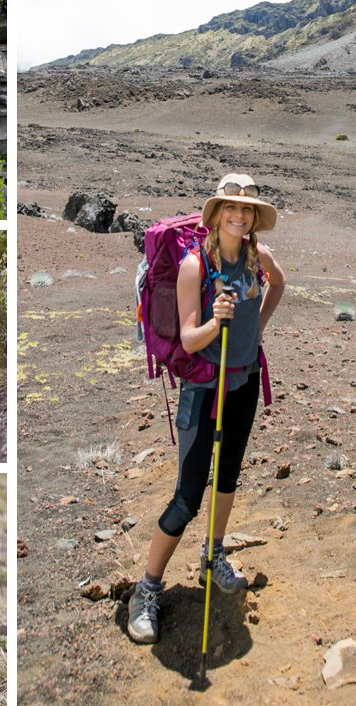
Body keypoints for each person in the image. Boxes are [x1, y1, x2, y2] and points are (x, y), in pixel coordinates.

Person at [127, 173, 286, 644]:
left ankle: (212, 556)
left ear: (255, 217)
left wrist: (255, 328)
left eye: (247, 210)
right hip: (204, 389)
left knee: (230, 475)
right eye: (231, 209)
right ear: (215, 214)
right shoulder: (195, 266)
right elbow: (189, 339)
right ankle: (148, 588)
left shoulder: (260, 258)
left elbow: (280, 284)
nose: (240, 216)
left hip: (244, 383)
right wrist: (218, 322)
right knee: (188, 496)